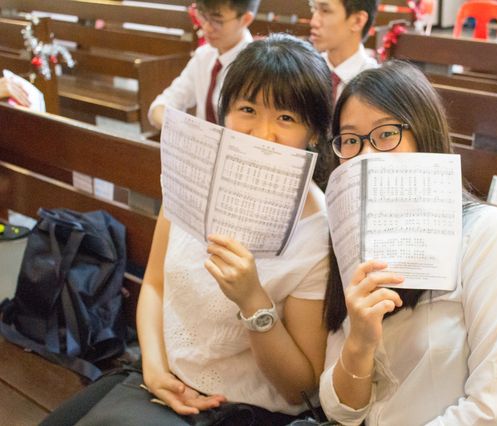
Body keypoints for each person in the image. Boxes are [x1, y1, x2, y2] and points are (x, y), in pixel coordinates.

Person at [41, 33, 335, 426]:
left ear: (313, 133)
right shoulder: (195, 177)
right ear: (224, 113)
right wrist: (154, 369)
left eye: (286, 118)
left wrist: (253, 301)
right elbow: (155, 284)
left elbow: (301, 387)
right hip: (160, 377)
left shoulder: (318, 232)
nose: (262, 134)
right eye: (247, 109)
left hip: (241, 410)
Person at [319, 61, 497, 425]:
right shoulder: (353, 241)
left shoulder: (491, 237)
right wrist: (360, 344)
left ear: (424, 135)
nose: (366, 156)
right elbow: (340, 412)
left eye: (386, 134)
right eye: (351, 141)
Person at [147, 0, 258, 129]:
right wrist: (176, 128)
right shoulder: (204, 55)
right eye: (202, 16)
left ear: (245, 19)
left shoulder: (258, 67)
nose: (207, 28)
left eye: (217, 21)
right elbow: (164, 103)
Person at [309, 0, 379, 101]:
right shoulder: (306, 72)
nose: (313, 22)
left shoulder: (377, 87)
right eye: (314, 9)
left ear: (358, 21)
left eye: (325, 10)